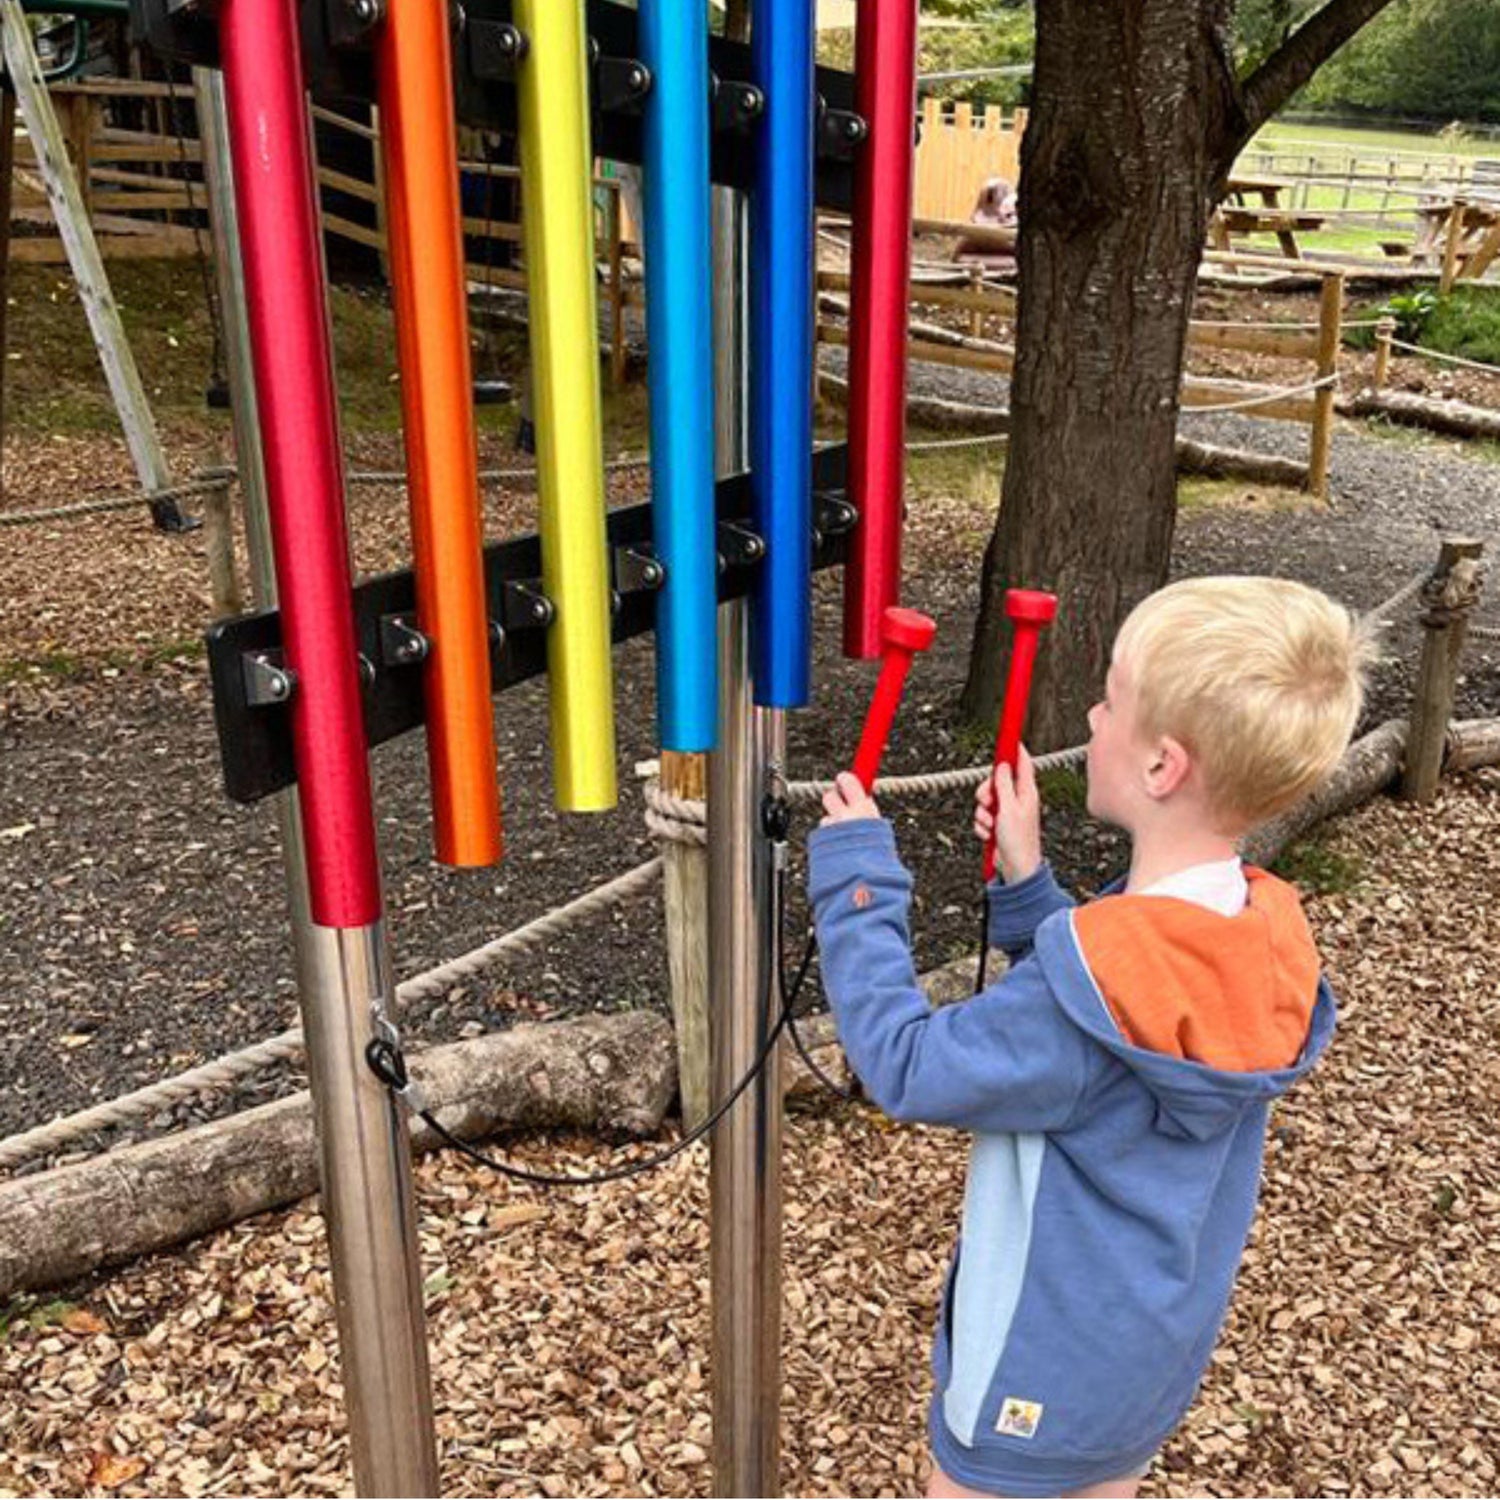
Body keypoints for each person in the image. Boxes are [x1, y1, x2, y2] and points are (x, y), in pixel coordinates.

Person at [808, 576, 1372, 1498]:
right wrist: (1030, 886)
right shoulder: (1256, 933)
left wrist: (857, 878)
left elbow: (906, 1065)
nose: (1092, 717)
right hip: (1136, 1372)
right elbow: (1121, 1003)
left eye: (1110, 700)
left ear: (1162, 767)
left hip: (1028, 1391)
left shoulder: (1086, 1004)